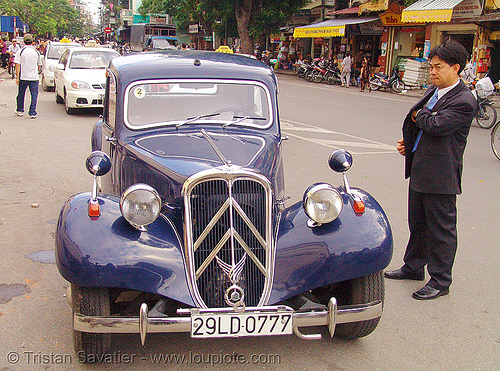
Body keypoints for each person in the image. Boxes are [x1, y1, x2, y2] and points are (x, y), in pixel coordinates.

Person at [385, 40, 477, 300]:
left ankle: (440, 281)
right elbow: (422, 122)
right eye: (431, 67)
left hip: (441, 175)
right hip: (421, 169)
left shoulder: (463, 100)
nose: (433, 72)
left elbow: (436, 125)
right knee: (418, 224)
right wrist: (410, 145)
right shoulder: (435, 91)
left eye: (438, 67)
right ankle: (413, 267)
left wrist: (420, 116)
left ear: (455, 68)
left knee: (441, 230)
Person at [14, 33, 42, 119]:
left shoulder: (21, 51)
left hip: (23, 77)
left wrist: (17, 77)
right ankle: (32, 112)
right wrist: (35, 72)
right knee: (34, 95)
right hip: (34, 77)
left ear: (23, 41)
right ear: (32, 41)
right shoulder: (36, 52)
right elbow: (39, 65)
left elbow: (17, 65)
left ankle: (20, 110)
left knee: (21, 94)